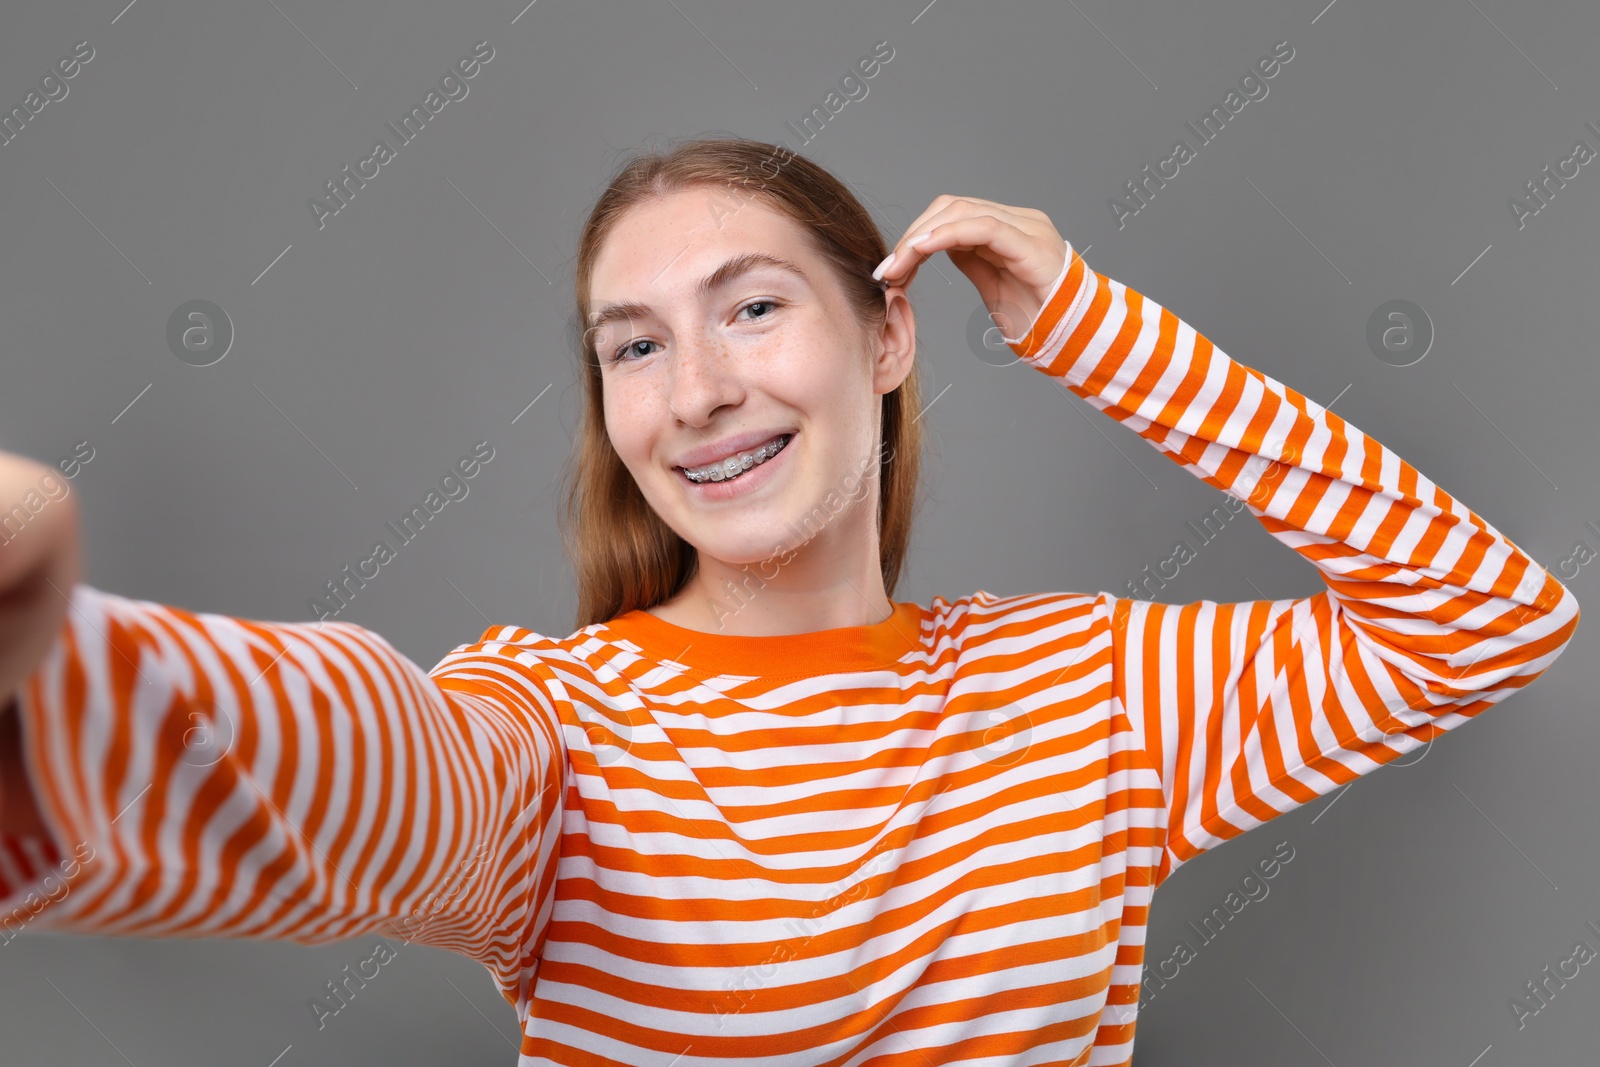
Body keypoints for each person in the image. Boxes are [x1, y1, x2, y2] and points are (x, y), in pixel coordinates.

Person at [0, 136, 1580, 1066]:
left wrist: (1098, 328)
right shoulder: (560, 725)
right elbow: (361, 769)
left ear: (888, 341)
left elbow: (1485, 614)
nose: (695, 392)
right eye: (633, 345)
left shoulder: (1094, 691)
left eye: (752, 308)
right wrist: (58, 687)